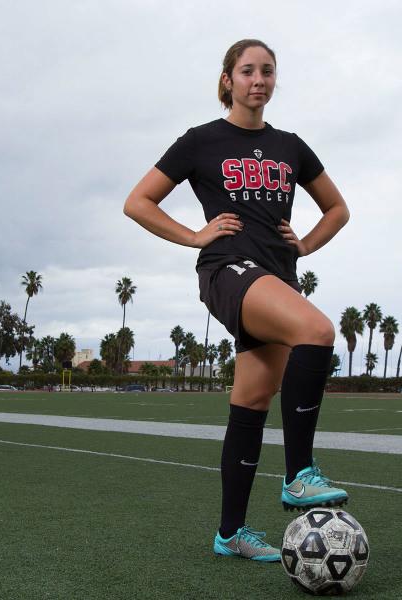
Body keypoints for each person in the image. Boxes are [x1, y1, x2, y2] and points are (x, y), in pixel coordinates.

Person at [123, 39, 350, 563]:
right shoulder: (201, 141)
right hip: (228, 272)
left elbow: (337, 208)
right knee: (316, 332)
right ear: (228, 80)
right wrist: (194, 236)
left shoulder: (291, 146)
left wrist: (307, 243)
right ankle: (298, 475)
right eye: (247, 71)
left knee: (250, 403)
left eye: (267, 71)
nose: (259, 80)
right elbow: (138, 202)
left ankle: (231, 534)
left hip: (277, 279)